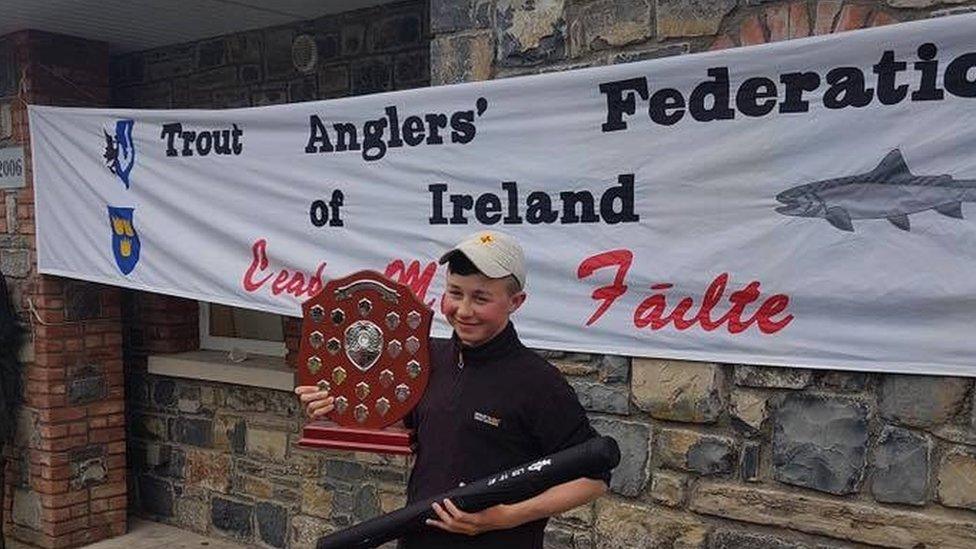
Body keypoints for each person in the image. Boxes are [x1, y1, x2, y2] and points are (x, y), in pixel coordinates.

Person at [295, 230, 609, 548]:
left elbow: (593, 480)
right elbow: (401, 420)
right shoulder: (424, 358)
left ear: (515, 302)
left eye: (481, 297)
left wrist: (504, 517)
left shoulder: (540, 382)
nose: (463, 310)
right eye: (455, 293)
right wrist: (334, 407)